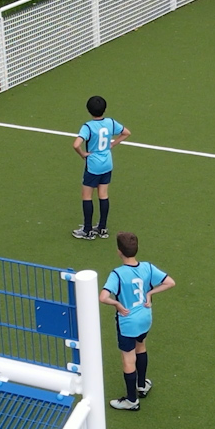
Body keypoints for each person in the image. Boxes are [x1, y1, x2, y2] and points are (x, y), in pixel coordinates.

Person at [98, 231, 173, 411]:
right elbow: (170, 282)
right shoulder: (147, 267)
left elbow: (103, 297)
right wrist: (149, 293)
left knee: (127, 358)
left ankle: (132, 400)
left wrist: (116, 303)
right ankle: (142, 385)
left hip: (128, 322)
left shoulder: (117, 274)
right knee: (141, 346)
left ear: (119, 251)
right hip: (145, 318)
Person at [71, 95, 129, 239]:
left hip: (93, 165)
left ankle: (88, 230)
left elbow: (76, 144)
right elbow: (126, 133)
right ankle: (102, 228)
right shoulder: (110, 122)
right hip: (107, 163)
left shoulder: (88, 126)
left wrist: (83, 154)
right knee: (103, 194)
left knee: (87, 196)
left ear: (88, 110)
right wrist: (113, 144)